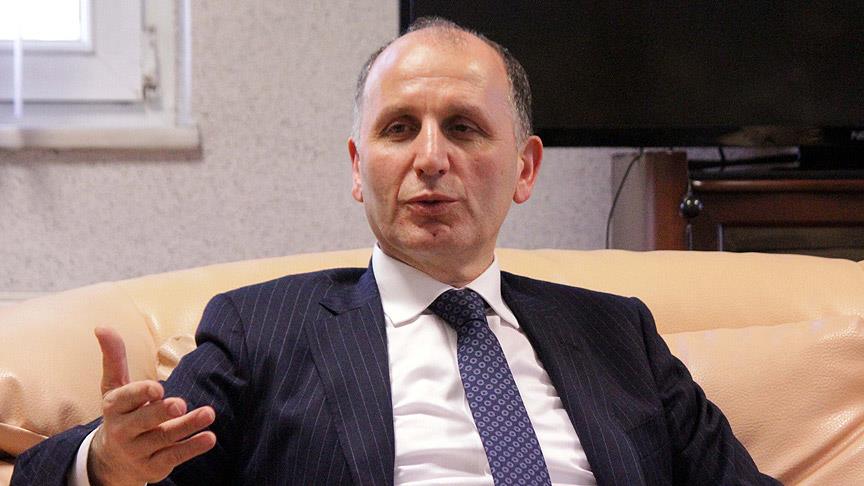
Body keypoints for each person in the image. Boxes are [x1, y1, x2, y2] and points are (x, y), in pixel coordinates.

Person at [11, 17, 779, 486]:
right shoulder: (263, 329)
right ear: (358, 168)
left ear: (525, 169)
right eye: (399, 129)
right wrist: (106, 464)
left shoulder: (617, 334)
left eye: (464, 128)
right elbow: (120, 465)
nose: (431, 158)